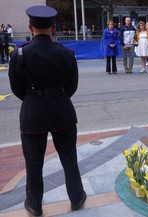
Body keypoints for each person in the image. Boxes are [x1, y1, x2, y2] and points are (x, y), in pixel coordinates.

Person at [8, 6, 86, 216]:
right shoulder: (66, 53)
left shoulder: (19, 54)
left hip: (33, 113)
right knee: (69, 158)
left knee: (34, 163)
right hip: (62, 110)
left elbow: (17, 89)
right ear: (53, 28)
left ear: (30, 27)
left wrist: (34, 99)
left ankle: (34, 205)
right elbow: (72, 86)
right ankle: (77, 199)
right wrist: (56, 97)